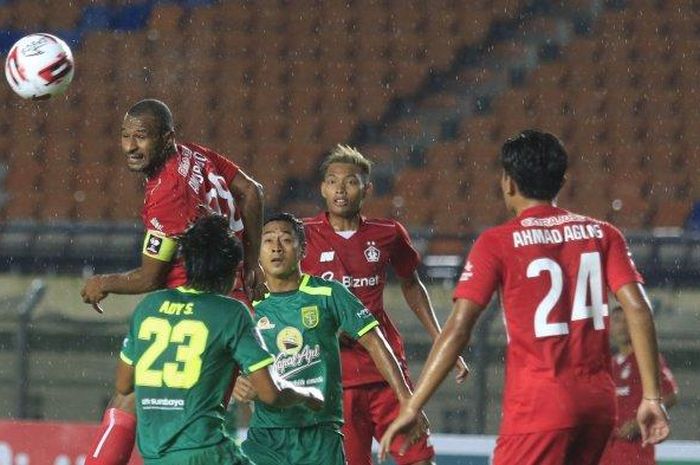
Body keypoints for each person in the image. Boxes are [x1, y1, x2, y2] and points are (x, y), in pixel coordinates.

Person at [380, 129, 671, 465]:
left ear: (508, 183)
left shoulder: (497, 243)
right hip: (598, 404)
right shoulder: (603, 234)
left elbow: (459, 329)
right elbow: (638, 308)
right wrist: (651, 397)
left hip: (539, 405)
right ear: (562, 180)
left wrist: (413, 405)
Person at [82, 99, 265, 465]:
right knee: (210, 408)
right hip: (232, 299)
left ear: (166, 138)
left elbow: (151, 276)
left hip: (192, 306)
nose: (131, 147)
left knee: (129, 397)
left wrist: (103, 283)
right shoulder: (194, 154)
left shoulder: (167, 192)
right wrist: (252, 263)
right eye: (125, 136)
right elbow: (252, 191)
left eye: (141, 137)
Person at [301, 145, 468, 465]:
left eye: (350, 181)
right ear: (322, 188)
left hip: (387, 375)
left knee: (419, 459)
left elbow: (411, 284)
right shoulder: (302, 236)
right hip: (334, 383)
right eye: (332, 180)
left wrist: (441, 338)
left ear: (367, 189)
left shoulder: (388, 234)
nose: (340, 188)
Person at [115, 214, 323, 465]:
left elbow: (124, 385)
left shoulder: (149, 306)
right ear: (232, 271)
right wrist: (307, 394)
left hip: (155, 458)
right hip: (208, 455)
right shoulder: (231, 312)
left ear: (187, 262)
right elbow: (270, 394)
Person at [232, 213, 426, 465]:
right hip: (266, 437)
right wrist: (234, 380)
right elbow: (220, 356)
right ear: (258, 252)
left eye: (286, 239)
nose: (276, 248)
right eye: (268, 241)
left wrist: (407, 401)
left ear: (303, 250)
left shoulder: (328, 293)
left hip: (321, 433)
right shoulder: (248, 305)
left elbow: (375, 342)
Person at [600, 306, 678, 465]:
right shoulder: (609, 365)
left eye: (626, 321)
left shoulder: (646, 359)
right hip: (608, 456)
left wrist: (639, 423)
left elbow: (671, 394)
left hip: (635, 456)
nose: (622, 326)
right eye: (616, 321)